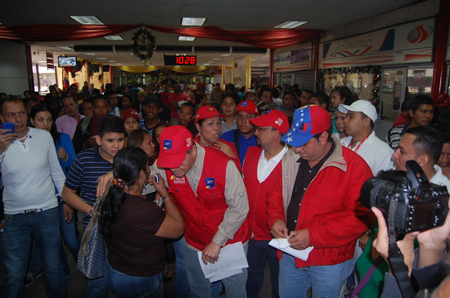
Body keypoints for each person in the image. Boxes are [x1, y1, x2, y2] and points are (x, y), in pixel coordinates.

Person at [267, 105, 374, 298]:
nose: (297, 149)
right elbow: (275, 192)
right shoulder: (291, 157)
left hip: (330, 259)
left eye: (303, 143)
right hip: (291, 253)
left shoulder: (354, 168)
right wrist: (276, 219)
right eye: (294, 143)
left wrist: (313, 235)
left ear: (323, 137)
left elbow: (359, 218)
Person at [155, 125, 251, 298]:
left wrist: (217, 241)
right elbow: (142, 174)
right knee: (198, 290)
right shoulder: (167, 163)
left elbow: (239, 207)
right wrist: (114, 174)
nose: (174, 169)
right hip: (195, 241)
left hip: (230, 240)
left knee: (235, 291)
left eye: (179, 161)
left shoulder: (223, 165)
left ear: (192, 150)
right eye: (168, 162)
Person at [0, 96, 67, 298]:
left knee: (53, 266)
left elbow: (56, 172)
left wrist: (65, 200)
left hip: (47, 211)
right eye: (11, 114)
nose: (18, 119)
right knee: (14, 273)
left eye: (21, 113)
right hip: (14, 216)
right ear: (2, 118)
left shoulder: (43, 137)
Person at [98, 147, 184, 298]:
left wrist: (157, 197)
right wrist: (164, 193)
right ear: (142, 174)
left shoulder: (111, 196)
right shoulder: (143, 210)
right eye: (147, 167)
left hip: (114, 270)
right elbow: (178, 228)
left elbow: (145, 226)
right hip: (139, 279)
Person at [62, 115, 126, 298]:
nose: (116, 146)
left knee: (125, 279)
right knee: (98, 281)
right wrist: (95, 212)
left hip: (125, 228)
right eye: (110, 140)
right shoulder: (84, 159)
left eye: (120, 140)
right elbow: (67, 194)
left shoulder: (129, 157)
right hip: (97, 230)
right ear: (98, 140)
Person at [29, 104, 79, 282]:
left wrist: (65, 158)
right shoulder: (27, 142)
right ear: (32, 121)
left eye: (49, 120)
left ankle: (83, 263)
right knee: (53, 242)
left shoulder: (62, 138)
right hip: (42, 199)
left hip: (62, 194)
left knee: (71, 240)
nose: (45, 124)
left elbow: (74, 166)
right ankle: (64, 270)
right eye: (40, 120)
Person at [244, 110, 289, 298]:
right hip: (252, 235)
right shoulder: (252, 152)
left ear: (276, 133)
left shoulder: (292, 161)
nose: (255, 132)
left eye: (260, 129)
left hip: (279, 238)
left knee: (280, 282)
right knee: (252, 277)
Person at [339, 100, 394, 176]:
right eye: (346, 116)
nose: (345, 120)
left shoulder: (382, 151)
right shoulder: (339, 143)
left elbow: (383, 185)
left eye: (351, 117)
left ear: (366, 121)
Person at [194, 105, 241, 170]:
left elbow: (239, 177)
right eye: (211, 124)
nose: (217, 128)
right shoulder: (190, 148)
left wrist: (232, 158)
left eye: (218, 123)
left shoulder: (227, 147)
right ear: (198, 127)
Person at [221, 100, 259, 166]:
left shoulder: (263, 141)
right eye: (240, 116)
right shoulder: (225, 138)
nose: (243, 121)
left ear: (256, 118)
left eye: (248, 117)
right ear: (236, 118)